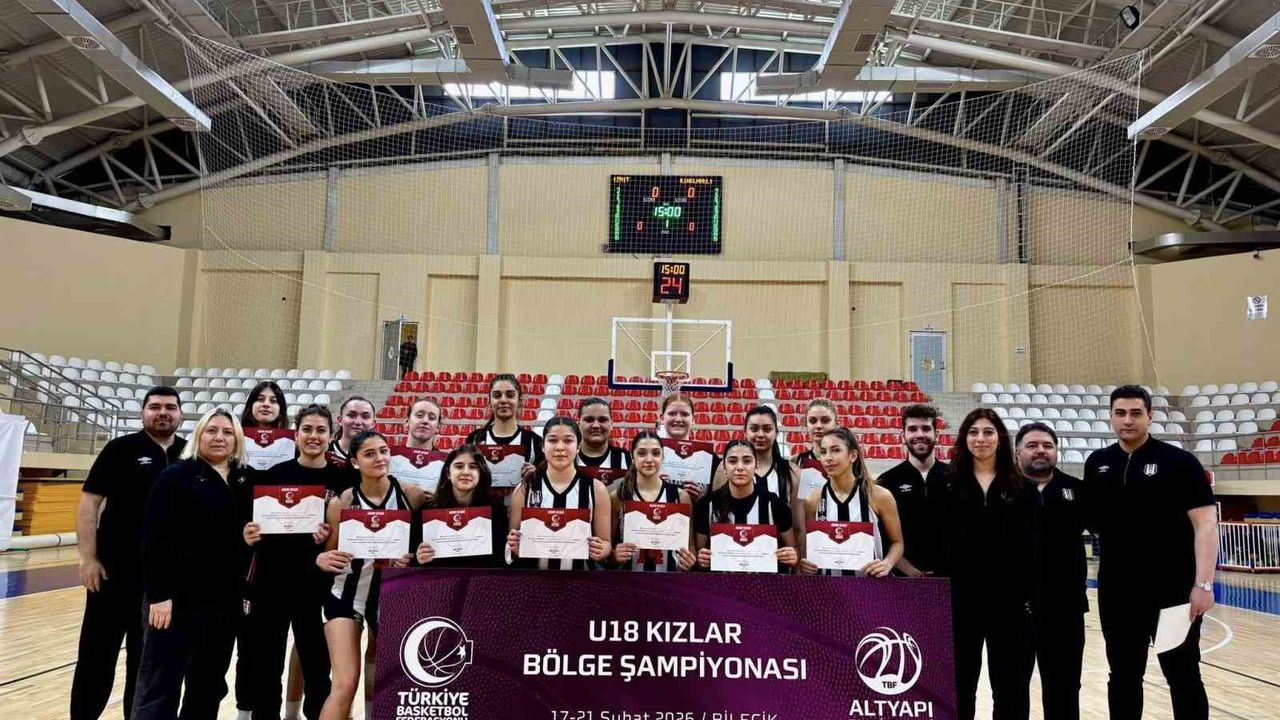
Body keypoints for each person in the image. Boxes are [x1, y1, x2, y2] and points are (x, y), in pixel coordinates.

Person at [1085, 385, 1217, 720]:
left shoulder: (1180, 462)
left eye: (1135, 413)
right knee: (1123, 676)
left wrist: (1203, 584)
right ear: (1110, 416)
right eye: (1120, 413)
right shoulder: (1098, 463)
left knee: (1182, 675)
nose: (1127, 420)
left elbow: (1205, 524)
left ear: (1150, 416)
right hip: (1118, 593)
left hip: (1173, 593)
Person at [131, 409, 254, 720]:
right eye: (212, 430)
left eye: (227, 432)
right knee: (160, 684)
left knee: (208, 685)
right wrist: (159, 596)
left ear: (237, 440)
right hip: (175, 600)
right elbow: (154, 540)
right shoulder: (175, 477)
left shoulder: (245, 480)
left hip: (223, 601)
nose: (219, 437)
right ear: (199, 435)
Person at [71, 387, 185, 720]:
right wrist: (88, 559)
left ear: (180, 414)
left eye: (170, 407)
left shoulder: (189, 453)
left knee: (144, 661)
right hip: (112, 574)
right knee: (96, 657)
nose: (162, 413)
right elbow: (89, 504)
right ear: (143, 412)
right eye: (155, 407)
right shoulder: (120, 449)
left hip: (160, 582)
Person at [239, 405, 342, 720]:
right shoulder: (274, 476)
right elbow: (260, 534)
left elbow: (346, 532)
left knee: (317, 666)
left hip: (316, 588)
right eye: (307, 429)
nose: (313, 436)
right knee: (267, 664)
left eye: (321, 430)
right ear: (296, 434)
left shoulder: (341, 478)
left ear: (331, 436)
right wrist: (251, 533)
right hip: (273, 583)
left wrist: (327, 537)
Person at [315, 430, 425, 720]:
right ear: (354, 462)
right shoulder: (342, 502)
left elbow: (422, 546)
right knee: (344, 684)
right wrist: (323, 557)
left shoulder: (411, 495)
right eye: (369, 453)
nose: (379, 458)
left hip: (391, 597)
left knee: (383, 682)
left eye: (384, 451)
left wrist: (410, 558)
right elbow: (331, 553)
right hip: (346, 594)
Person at [945, 407, 1034, 720]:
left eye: (987, 432)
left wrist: (1028, 597)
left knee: (1009, 687)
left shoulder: (1023, 488)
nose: (980, 438)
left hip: (1009, 603)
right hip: (961, 602)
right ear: (964, 438)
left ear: (1000, 439)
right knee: (959, 685)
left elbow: (1031, 549)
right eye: (973, 432)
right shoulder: (948, 484)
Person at [1016, 422, 1086, 720]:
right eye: (1032, 446)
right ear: (1017, 452)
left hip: (1065, 610)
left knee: (1064, 691)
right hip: (1013, 612)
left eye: (1047, 445)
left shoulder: (1078, 490)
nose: (1041, 451)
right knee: (1011, 692)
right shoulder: (1002, 490)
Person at [234, 379, 291, 720]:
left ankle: (268, 713)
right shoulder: (233, 446)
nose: (266, 404)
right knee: (245, 646)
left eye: (274, 399)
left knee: (273, 647)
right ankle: (243, 711)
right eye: (260, 398)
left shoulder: (292, 450)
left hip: (279, 561)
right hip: (238, 559)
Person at [506, 416, 612, 570]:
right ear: (543, 446)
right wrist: (514, 547)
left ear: (578, 446)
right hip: (534, 580)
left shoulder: (596, 489)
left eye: (568, 441)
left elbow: (606, 543)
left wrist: (601, 549)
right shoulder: (525, 488)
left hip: (580, 580)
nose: (560, 447)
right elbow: (512, 542)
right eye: (553, 440)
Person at [798, 427, 903, 577]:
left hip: (869, 585)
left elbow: (897, 543)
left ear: (853, 455)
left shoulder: (880, 496)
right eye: (823, 452)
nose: (828, 457)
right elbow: (812, 548)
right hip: (827, 587)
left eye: (836, 450)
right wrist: (806, 563)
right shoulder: (813, 500)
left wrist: (887, 563)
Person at [694, 439, 799, 573]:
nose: (740, 467)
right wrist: (701, 560)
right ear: (724, 467)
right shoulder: (707, 505)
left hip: (765, 584)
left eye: (747, 461)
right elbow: (699, 556)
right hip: (721, 584)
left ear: (756, 465)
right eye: (733, 461)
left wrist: (792, 556)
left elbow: (793, 551)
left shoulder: (775, 504)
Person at [874, 404, 949, 576]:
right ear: (903, 435)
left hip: (950, 579)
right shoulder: (887, 481)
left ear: (936, 435)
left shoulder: (957, 477)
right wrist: (910, 571)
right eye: (913, 429)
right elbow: (882, 535)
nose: (920, 434)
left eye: (926, 428)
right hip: (903, 578)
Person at [609, 430, 697, 572]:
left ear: (663, 456)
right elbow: (608, 549)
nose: (649, 459)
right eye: (642, 453)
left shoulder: (680, 497)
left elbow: (690, 546)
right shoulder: (618, 496)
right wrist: (614, 555)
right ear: (632, 457)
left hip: (670, 580)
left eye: (655, 453)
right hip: (629, 580)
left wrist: (690, 561)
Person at [415, 444, 509, 568]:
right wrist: (420, 557)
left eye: (473, 467)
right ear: (448, 473)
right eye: (459, 466)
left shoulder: (497, 512)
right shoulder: (426, 512)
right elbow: (413, 558)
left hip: (482, 578)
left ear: (480, 473)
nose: (466, 472)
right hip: (441, 578)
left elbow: (502, 560)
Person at [466, 374, 543, 482]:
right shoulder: (475, 438)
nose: (503, 400)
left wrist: (536, 475)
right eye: (497, 395)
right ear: (489, 401)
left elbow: (546, 482)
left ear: (520, 401)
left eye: (510, 395)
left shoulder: (534, 441)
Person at [657, 392, 719, 501]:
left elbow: (717, 499)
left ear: (693, 419)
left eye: (685, 414)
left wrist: (702, 499)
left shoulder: (709, 458)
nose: (678, 419)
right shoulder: (651, 455)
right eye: (672, 414)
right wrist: (652, 486)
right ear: (662, 418)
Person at [327, 396, 377, 494]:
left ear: (373, 423)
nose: (358, 422)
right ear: (340, 420)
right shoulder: (324, 453)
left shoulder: (379, 459)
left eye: (365, 417)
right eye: (351, 415)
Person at [576, 396, 629, 488]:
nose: (596, 425)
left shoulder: (625, 458)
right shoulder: (568, 457)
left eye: (602, 420)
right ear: (579, 424)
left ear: (611, 425)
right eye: (589, 420)